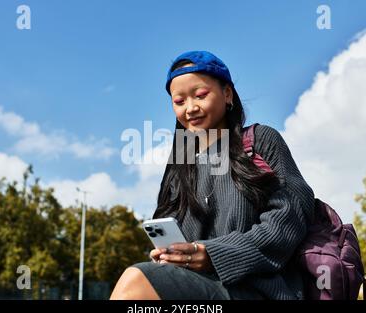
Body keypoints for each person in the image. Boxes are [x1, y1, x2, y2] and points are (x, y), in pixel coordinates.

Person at [110, 51, 315, 300]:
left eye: (200, 95)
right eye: (179, 101)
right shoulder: (181, 165)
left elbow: (290, 219)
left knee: (135, 282)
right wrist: (171, 254)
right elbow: (173, 229)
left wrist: (213, 254)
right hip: (198, 288)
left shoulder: (261, 141)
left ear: (227, 94)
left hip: (259, 290)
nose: (191, 108)